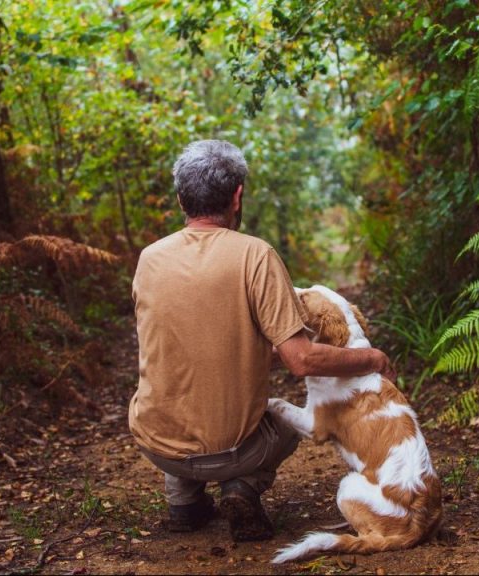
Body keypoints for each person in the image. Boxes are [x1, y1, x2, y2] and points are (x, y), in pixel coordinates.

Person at [128, 139, 396, 542]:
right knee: (288, 417)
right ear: (237, 196)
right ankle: (243, 487)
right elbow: (301, 360)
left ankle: (182, 499)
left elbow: (178, 348)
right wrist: (372, 359)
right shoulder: (256, 255)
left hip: (155, 442)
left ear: (181, 198)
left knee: (176, 385)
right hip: (231, 452)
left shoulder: (149, 258)